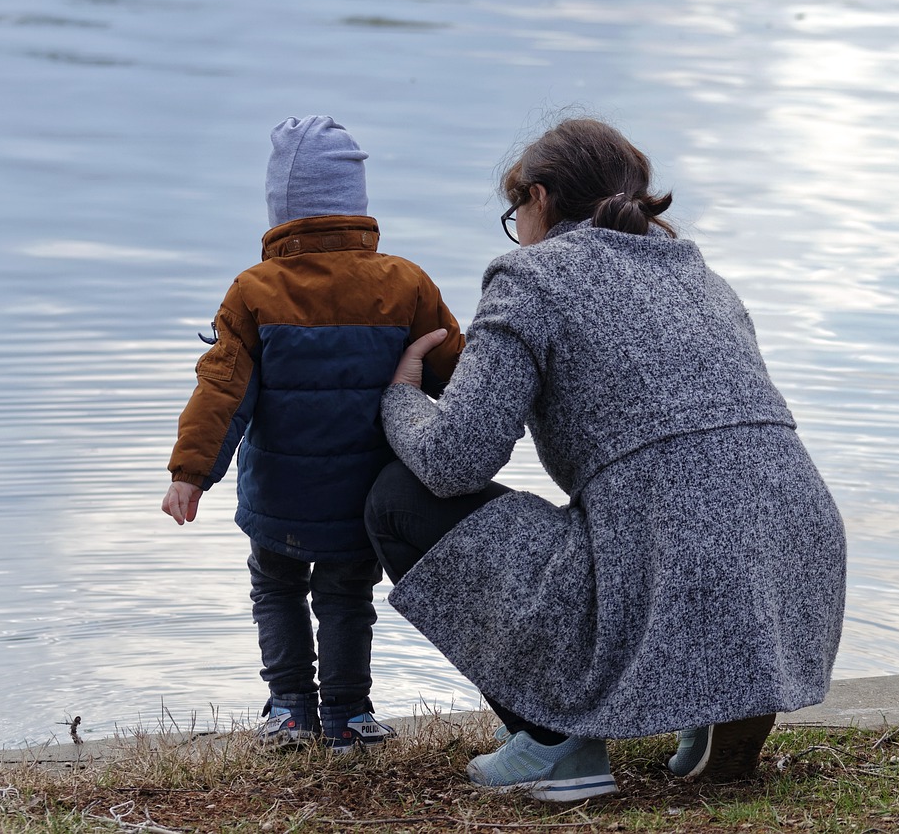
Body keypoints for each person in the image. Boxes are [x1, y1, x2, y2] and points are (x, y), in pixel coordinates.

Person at [364, 117, 846, 799]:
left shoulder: (529, 277)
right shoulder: (702, 277)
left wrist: (403, 398)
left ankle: (558, 745)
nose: (516, 230)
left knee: (397, 498)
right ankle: (721, 697)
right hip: (799, 561)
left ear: (537, 198)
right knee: (669, 505)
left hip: (676, 559)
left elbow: (453, 460)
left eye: (514, 213)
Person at [163, 115, 464, 753]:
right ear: (356, 206)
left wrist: (190, 475)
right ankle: (350, 714)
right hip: (360, 499)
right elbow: (459, 374)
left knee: (276, 587)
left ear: (281, 210)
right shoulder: (406, 284)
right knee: (348, 596)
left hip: (279, 495)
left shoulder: (254, 291)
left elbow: (224, 392)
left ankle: (290, 709)